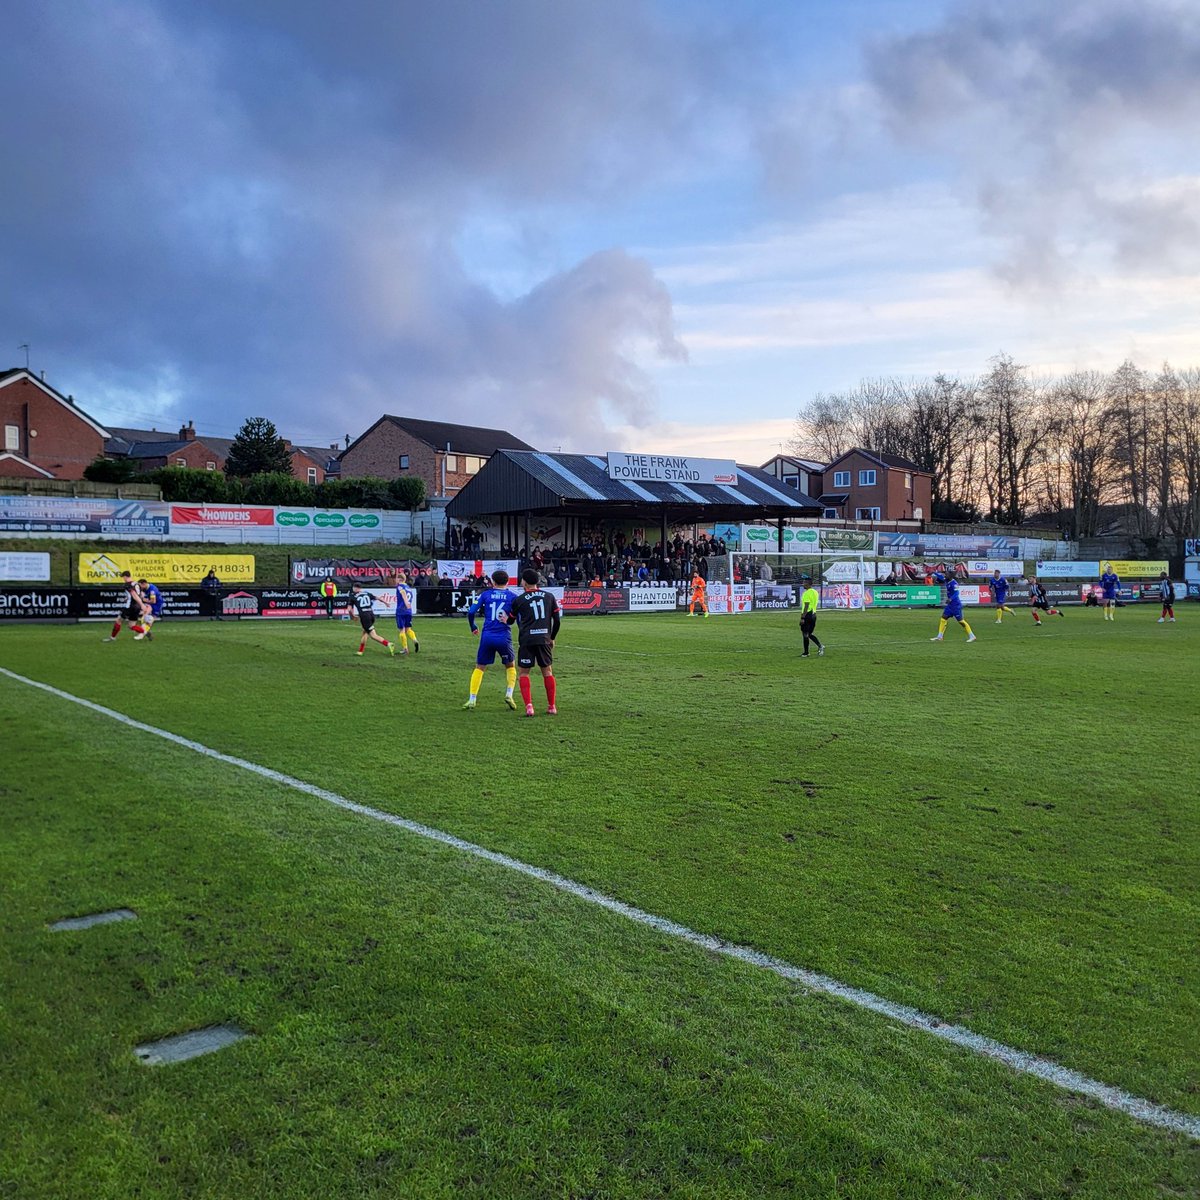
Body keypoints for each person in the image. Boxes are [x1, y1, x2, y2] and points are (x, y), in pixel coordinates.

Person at [508, 567, 561, 716]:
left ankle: (529, 707)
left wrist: (507, 619)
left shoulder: (519, 600)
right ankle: (551, 706)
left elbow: (511, 620)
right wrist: (552, 637)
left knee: (524, 673)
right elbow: (556, 621)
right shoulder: (549, 597)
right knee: (547, 672)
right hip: (544, 638)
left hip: (527, 640)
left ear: (524, 582)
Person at [463, 569, 517, 710]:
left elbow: (471, 612)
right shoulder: (513, 597)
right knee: (510, 666)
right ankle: (509, 694)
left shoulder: (486, 594)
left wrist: (473, 626)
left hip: (487, 636)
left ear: (492, 581)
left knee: (480, 667)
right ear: (508, 582)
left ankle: (472, 699)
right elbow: (518, 617)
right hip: (503, 636)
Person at [347, 583, 395, 657]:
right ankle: (360, 651)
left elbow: (349, 609)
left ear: (355, 588)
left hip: (364, 617)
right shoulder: (367, 593)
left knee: (373, 635)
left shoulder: (352, 596)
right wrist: (386, 603)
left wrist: (352, 616)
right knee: (365, 632)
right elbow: (378, 598)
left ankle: (388, 644)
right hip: (371, 615)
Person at [930, 571, 976, 643]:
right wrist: (934, 572)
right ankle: (940, 636)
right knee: (943, 617)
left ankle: (972, 636)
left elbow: (957, 593)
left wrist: (950, 599)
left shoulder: (954, 583)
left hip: (956, 605)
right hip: (950, 605)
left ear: (951, 576)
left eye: (947, 574)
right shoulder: (946, 580)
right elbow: (940, 576)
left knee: (961, 621)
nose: (945, 575)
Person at [102, 571, 148, 642]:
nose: (123, 579)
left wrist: (142, 605)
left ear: (125, 576)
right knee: (131, 625)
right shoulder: (136, 583)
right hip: (137, 607)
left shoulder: (127, 584)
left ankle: (112, 638)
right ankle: (144, 632)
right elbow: (141, 594)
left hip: (130, 606)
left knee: (118, 621)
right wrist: (138, 603)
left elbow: (134, 595)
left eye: (123, 577)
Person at [393, 570, 419, 653]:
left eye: (396, 578)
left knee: (402, 630)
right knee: (408, 629)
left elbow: (403, 593)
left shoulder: (400, 586)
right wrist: (408, 603)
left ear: (400, 579)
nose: (395, 580)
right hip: (409, 611)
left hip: (401, 610)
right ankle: (414, 640)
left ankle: (405, 649)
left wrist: (406, 602)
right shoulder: (408, 587)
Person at [799, 576, 824, 658]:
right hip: (814, 615)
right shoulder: (815, 592)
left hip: (807, 615)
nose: (803, 584)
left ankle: (806, 653)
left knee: (805, 634)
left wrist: (802, 618)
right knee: (809, 634)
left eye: (804, 583)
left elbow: (806, 606)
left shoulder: (806, 593)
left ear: (808, 584)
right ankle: (820, 646)